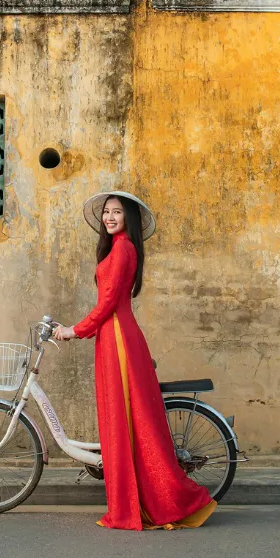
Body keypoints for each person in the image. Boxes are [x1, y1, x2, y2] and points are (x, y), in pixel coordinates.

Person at [53, 191, 216, 531]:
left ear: (128, 218)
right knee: (125, 420)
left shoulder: (124, 249)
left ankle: (157, 501)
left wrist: (74, 330)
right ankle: (139, 500)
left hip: (119, 341)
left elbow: (108, 302)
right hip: (112, 339)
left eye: (117, 212)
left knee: (128, 421)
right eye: (106, 213)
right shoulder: (117, 248)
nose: (110, 217)